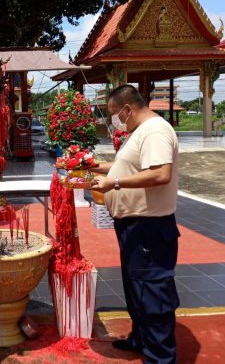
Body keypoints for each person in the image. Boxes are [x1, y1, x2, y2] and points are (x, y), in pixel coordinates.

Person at [91, 84, 180, 364]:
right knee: (136, 288)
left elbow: (159, 174)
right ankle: (141, 338)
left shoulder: (154, 131)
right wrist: (90, 165)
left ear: (127, 109)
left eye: (114, 114)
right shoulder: (138, 132)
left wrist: (113, 183)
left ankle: (160, 357)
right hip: (134, 226)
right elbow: (125, 166)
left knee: (151, 291)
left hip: (149, 227)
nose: (114, 120)